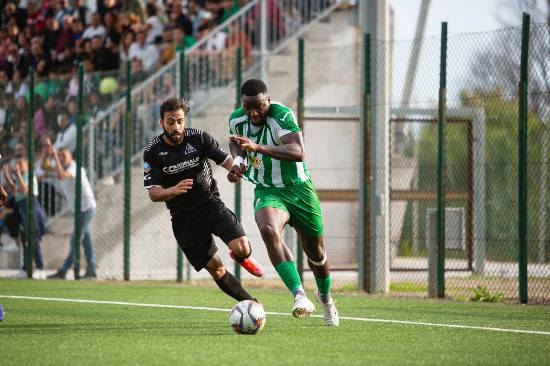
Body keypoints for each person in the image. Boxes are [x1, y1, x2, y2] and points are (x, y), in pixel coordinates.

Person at [227, 79, 339, 326]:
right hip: (267, 190)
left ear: (267, 100)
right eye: (248, 108)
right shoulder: (237, 119)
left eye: (259, 107)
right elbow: (235, 144)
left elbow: (298, 152)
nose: (254, 113)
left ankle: (326, 298)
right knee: (268, 229)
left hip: (299, 190)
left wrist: (257, 147)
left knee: (316, 254)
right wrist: (237, 164)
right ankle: (299, 295)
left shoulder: (281, 115)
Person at [143, 97, 263, 302]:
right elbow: (154, 193)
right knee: (216, 269)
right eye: (170, 121)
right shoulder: (153, 152)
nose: (176, 126)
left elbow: (226, 160)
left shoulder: (199, 138)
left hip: (209, 204)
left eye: (180, 121)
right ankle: (251, 304)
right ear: (161, 123)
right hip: (183, 218)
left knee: (242, 248)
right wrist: (174, 190)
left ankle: (240, 256)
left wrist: (234, 171)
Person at [46, 143, 97, 280]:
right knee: (86, 241)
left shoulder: (75, 167)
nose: (61, 158)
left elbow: (62, 175)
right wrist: (49, 154)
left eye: (64, 155)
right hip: (79, 210)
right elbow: (44, 167)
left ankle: (63, 270)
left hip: (87, 208)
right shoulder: (60, 167)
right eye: (60, 155)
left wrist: (55, 156)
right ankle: (92, 270)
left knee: (75, 240)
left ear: (71, 157)